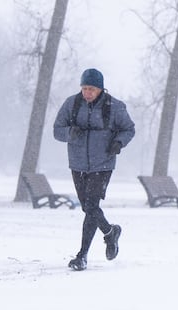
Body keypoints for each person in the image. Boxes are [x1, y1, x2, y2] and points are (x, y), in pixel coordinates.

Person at [53, 67, 135, 271]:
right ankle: (110, 232)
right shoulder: (71, 104)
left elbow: (129, 129)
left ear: (100, 89)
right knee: (88, 208)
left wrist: (119, 142)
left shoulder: (114, 107)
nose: (87, 93)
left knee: (91, 206)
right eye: (84, 88)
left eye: (91, 89)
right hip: (78, 163)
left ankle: (82, 256)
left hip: (103, 163)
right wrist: (70, 133)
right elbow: (57, 130)